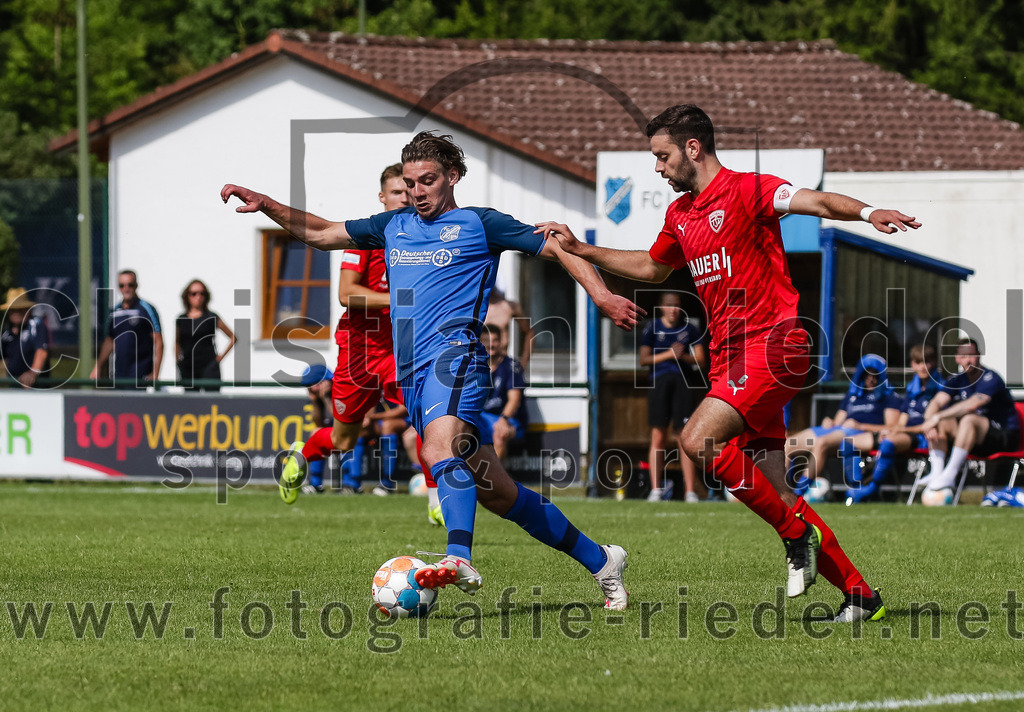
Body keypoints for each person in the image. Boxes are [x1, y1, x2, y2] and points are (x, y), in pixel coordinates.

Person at [222, 131, 643, 610]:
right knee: (499, 494)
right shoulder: (393, 226)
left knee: (437, 448)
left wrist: (602, 295)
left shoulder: (481, 223)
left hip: (456, 358)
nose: (417, 192)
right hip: (414, 376)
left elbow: (558, 247)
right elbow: (320, 233)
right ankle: (602, 561)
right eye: (410, 183)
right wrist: (267, 204)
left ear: (453, 177)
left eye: (428, 180)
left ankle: (458, 556)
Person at [538, 104, 921, 622]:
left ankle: (796, 537)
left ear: (692, 148)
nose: (658, 167)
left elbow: (817, 201)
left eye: (662, 156)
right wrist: (582, 248)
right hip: (730, 360)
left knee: (696, 440)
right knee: (778, 492)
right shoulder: (681, 214)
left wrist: (868, 211)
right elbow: (652, 266)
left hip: (775, 346)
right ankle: (860, 595)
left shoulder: (748, 190)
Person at [920, 338, 1021, 504]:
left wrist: (937, 417)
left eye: (971, 355)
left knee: (968, 419)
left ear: (979, 356)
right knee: (942, 423)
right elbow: (936, 402)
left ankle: (950, 475)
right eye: (963, 356)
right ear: (957, 359)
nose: (968, 360)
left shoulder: (991, 378)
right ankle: (937, 473)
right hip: (972, 438)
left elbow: (973, 404)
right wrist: (929, 422)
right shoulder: (956, 380)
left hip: (1004, 436)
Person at [786, 354, 901, 495]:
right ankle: (782, 491)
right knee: (788, 444)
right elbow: (838, 421)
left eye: (875, 375)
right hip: (838, 430)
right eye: (867, 374)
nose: (871, 379)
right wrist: (830, 422)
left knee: (822, 443)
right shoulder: (853, 395)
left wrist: (860, 426)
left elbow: (892, 428)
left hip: (858, 435)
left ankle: (798, 492)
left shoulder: (889, 397)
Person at [846, 345, 944, 504]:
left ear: (934, 363)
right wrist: (890, 431)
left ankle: (872, 488)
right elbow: (902, 422)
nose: (923, 367)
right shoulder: (912, 389)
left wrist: (897, 432)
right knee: (849, 442)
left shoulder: (941, 388)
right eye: (918, 362)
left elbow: (929, 425)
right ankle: (856, 487)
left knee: (888, 442)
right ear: (912, 365)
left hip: (924, 438)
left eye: (926, 362)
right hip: (907, 433)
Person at [639, 291, 707, 502]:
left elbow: (701, 360)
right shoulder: (652, 327)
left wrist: (683, 356)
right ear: (661, 307)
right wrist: (668, 354)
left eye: (677, 305)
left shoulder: (690, 329)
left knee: (684, 437)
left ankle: (690, 491)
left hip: (683, 383)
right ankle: (656, 490)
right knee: (658, 435)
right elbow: (643, 359)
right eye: (669, 305)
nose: (673, 310)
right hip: (659, 382)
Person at [90, 269, 163, 388]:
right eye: (122, 285)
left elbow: (158, 341)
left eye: (130, 285)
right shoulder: (114, 312)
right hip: (120, 375)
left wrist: (155, 373)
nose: (126, 289)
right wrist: (98, 366)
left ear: (136, 285)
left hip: (141, 376)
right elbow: (110, 341)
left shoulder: (146, 309)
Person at [175, 279, 236, 392]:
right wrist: (178, 361)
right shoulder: (181, 319)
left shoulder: (211, 317)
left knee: (211, 400)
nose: (198, 297)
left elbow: (233, 337)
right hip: (188, 368)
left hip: (209, 366)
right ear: (187, 296)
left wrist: (219, 358)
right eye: (194, 293)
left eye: (202, 293)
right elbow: (177, 342)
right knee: (190, 401)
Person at [480, 323, 528, 462]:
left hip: (509, 419)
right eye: (486, 341)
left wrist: (504, 419)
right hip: (482, 417)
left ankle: (493, 475)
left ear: (501, 342)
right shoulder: (474, 366)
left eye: (495, 340)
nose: (491, 345)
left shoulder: (511, 366)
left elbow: (514, 400)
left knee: (499, 433)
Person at [0, 288, 49, 388]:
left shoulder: (36, 325)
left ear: (28, 310)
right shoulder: (7, 332)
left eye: (20, 309)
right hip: (14, 386)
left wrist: (32, 373)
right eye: (13, 309)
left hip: (37, 388)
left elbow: (41, 351)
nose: (16, 313)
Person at [300, 363, 334, 494]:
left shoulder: (341, 390)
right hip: (338, 431)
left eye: (311, 385)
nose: (310, 389)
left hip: (353, 430)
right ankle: (315, 484)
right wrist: (315, 400)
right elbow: (318, 422)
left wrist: (326, 398)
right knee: (316, 432)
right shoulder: (318, 394)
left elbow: (341, 420)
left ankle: (351, 484)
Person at [484, 287, 534, 368]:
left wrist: (523, 363)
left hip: (502, 364)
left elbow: (529, 333)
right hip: (478, 364)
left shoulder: (509, 307)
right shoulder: (471, 307)